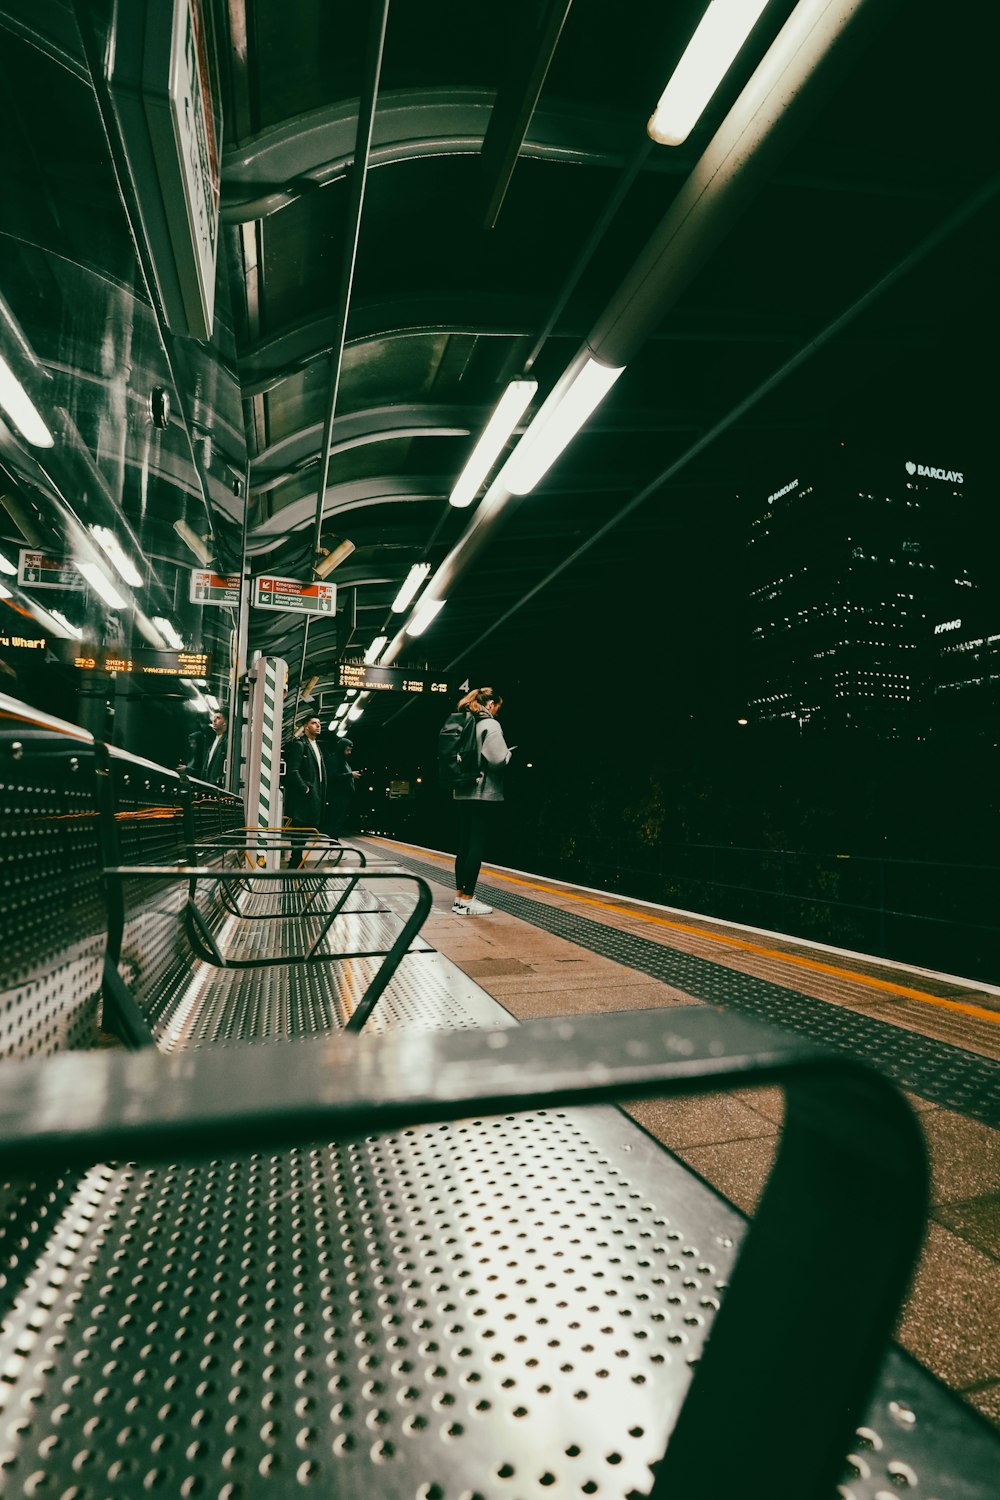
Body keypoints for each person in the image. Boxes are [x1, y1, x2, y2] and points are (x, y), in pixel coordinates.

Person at [452, 686, 512, 915]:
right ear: (490, 704)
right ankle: (468, 900)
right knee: (477, 843)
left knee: (464, 844)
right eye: (497, 706)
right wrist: (509, 754)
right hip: (482, 792)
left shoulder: (463, 723)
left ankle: (459, 897)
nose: (498, 711)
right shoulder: (490, 725)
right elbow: (497, 760)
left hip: (462, 790)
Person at [283, 715, 326, 867]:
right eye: (314, 723)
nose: (318, 726)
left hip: (313, 795)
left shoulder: (316, 746)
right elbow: (293, 770)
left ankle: (297, 858)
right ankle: (295, 860)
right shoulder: (300, 745)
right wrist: (305, 788)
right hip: (304, 796)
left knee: (306, 828)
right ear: (306, 727)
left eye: (319, 723)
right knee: (299, 828)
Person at [323, 735, 360, 838]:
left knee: (339, 821)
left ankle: (334, 841)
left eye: (350, 750)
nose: (349, 752)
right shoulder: (334, 760)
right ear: (341, 749)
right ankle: (333, 841)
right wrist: (350, 775)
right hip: (337, 796)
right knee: (335, 821)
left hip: (343, 797)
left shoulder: (343, 761)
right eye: (347, 750)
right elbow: (332, 777)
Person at [191, 710, 227, 787]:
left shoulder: (226, 741)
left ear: (225, 722)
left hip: (217, 786)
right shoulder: (213, 742)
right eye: (214, 718)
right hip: (208, 785)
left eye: (218, 718)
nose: (214, 720)